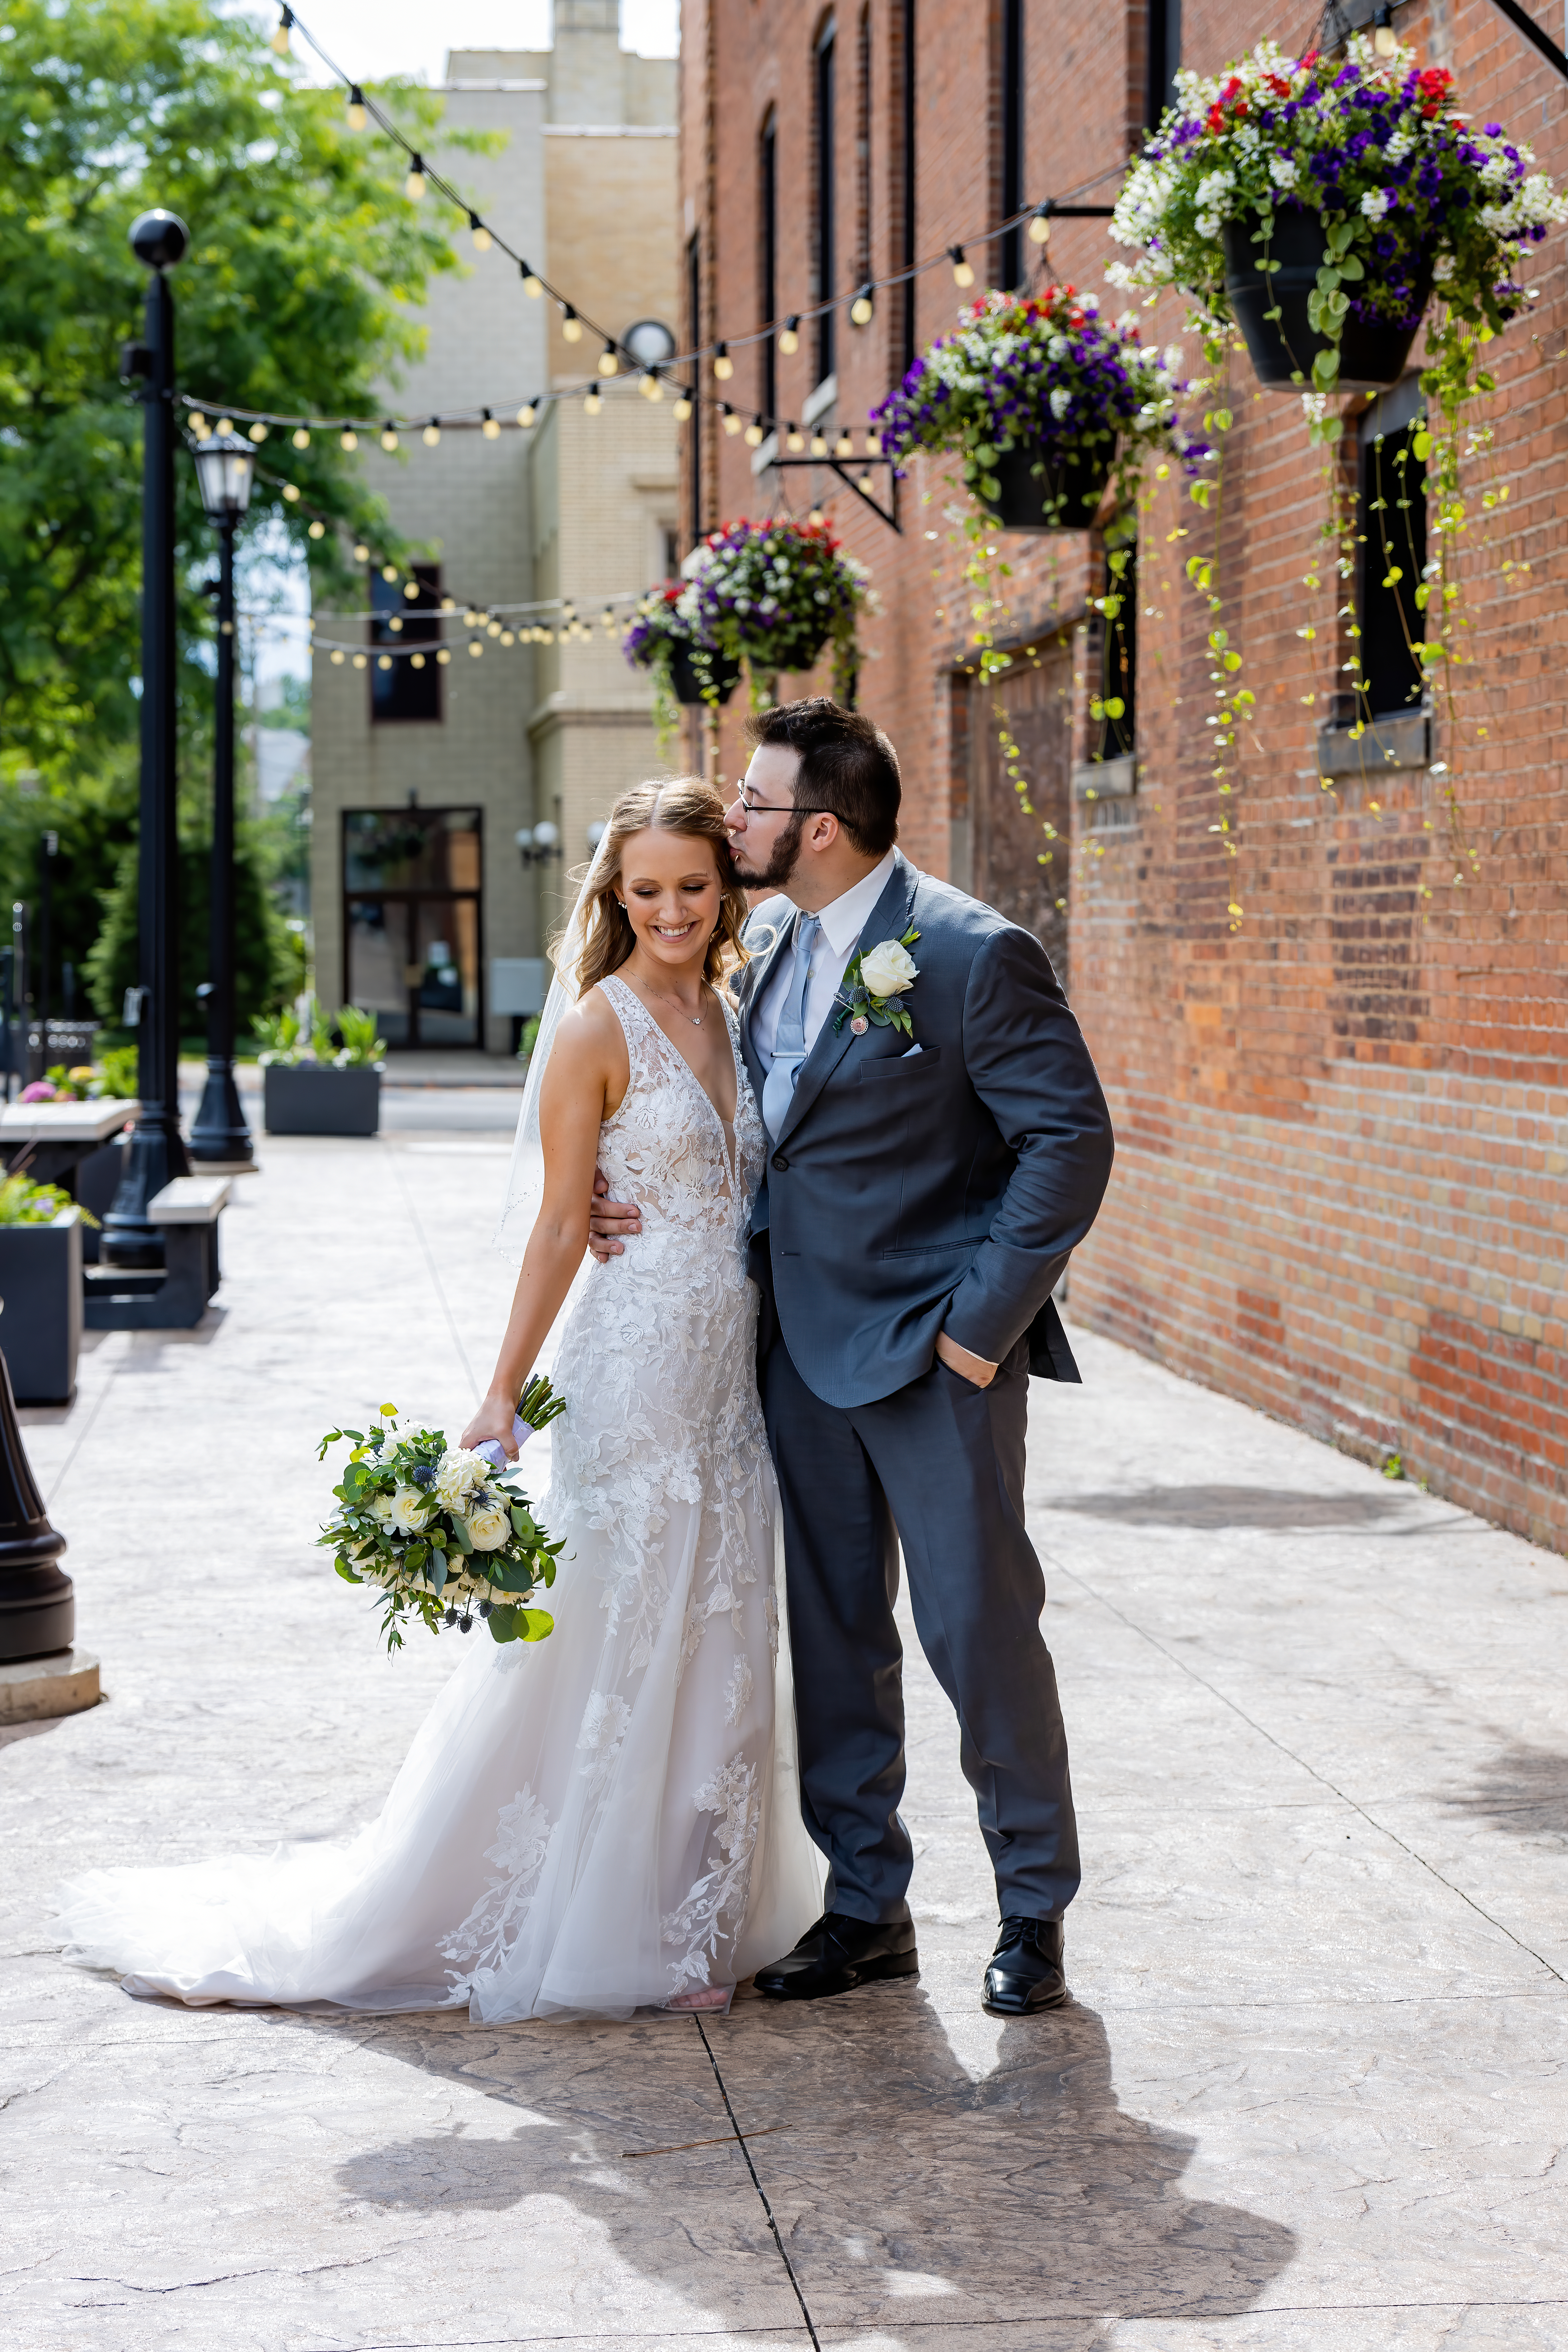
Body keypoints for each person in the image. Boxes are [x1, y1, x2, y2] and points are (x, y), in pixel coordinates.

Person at [58, 779, 824, 2020]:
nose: (672, 909)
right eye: (646, 890)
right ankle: (584, 1912)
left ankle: (692, 1912)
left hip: (728, 1382)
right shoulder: (594, 1027)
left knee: (718, 1633)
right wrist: (500, 1391)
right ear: (613, 896)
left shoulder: (738, 1012)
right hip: (632, 1372)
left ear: (723, 888)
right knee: (613, 1629)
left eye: (692, 886)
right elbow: (565, 1221)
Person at [589, 700, 1114, 2015]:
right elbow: (736, 1122)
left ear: (817, 827)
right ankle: (867, 1904)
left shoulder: (967, 953)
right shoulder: (761, 942)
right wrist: (623, 1198)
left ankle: (1032, 1909)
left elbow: (1070, 1144)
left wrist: (978, 1332)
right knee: (832, 1641)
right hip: (790, 1357)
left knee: (978, 1632)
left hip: (937, 1362)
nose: (734, 815)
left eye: (754, 804)